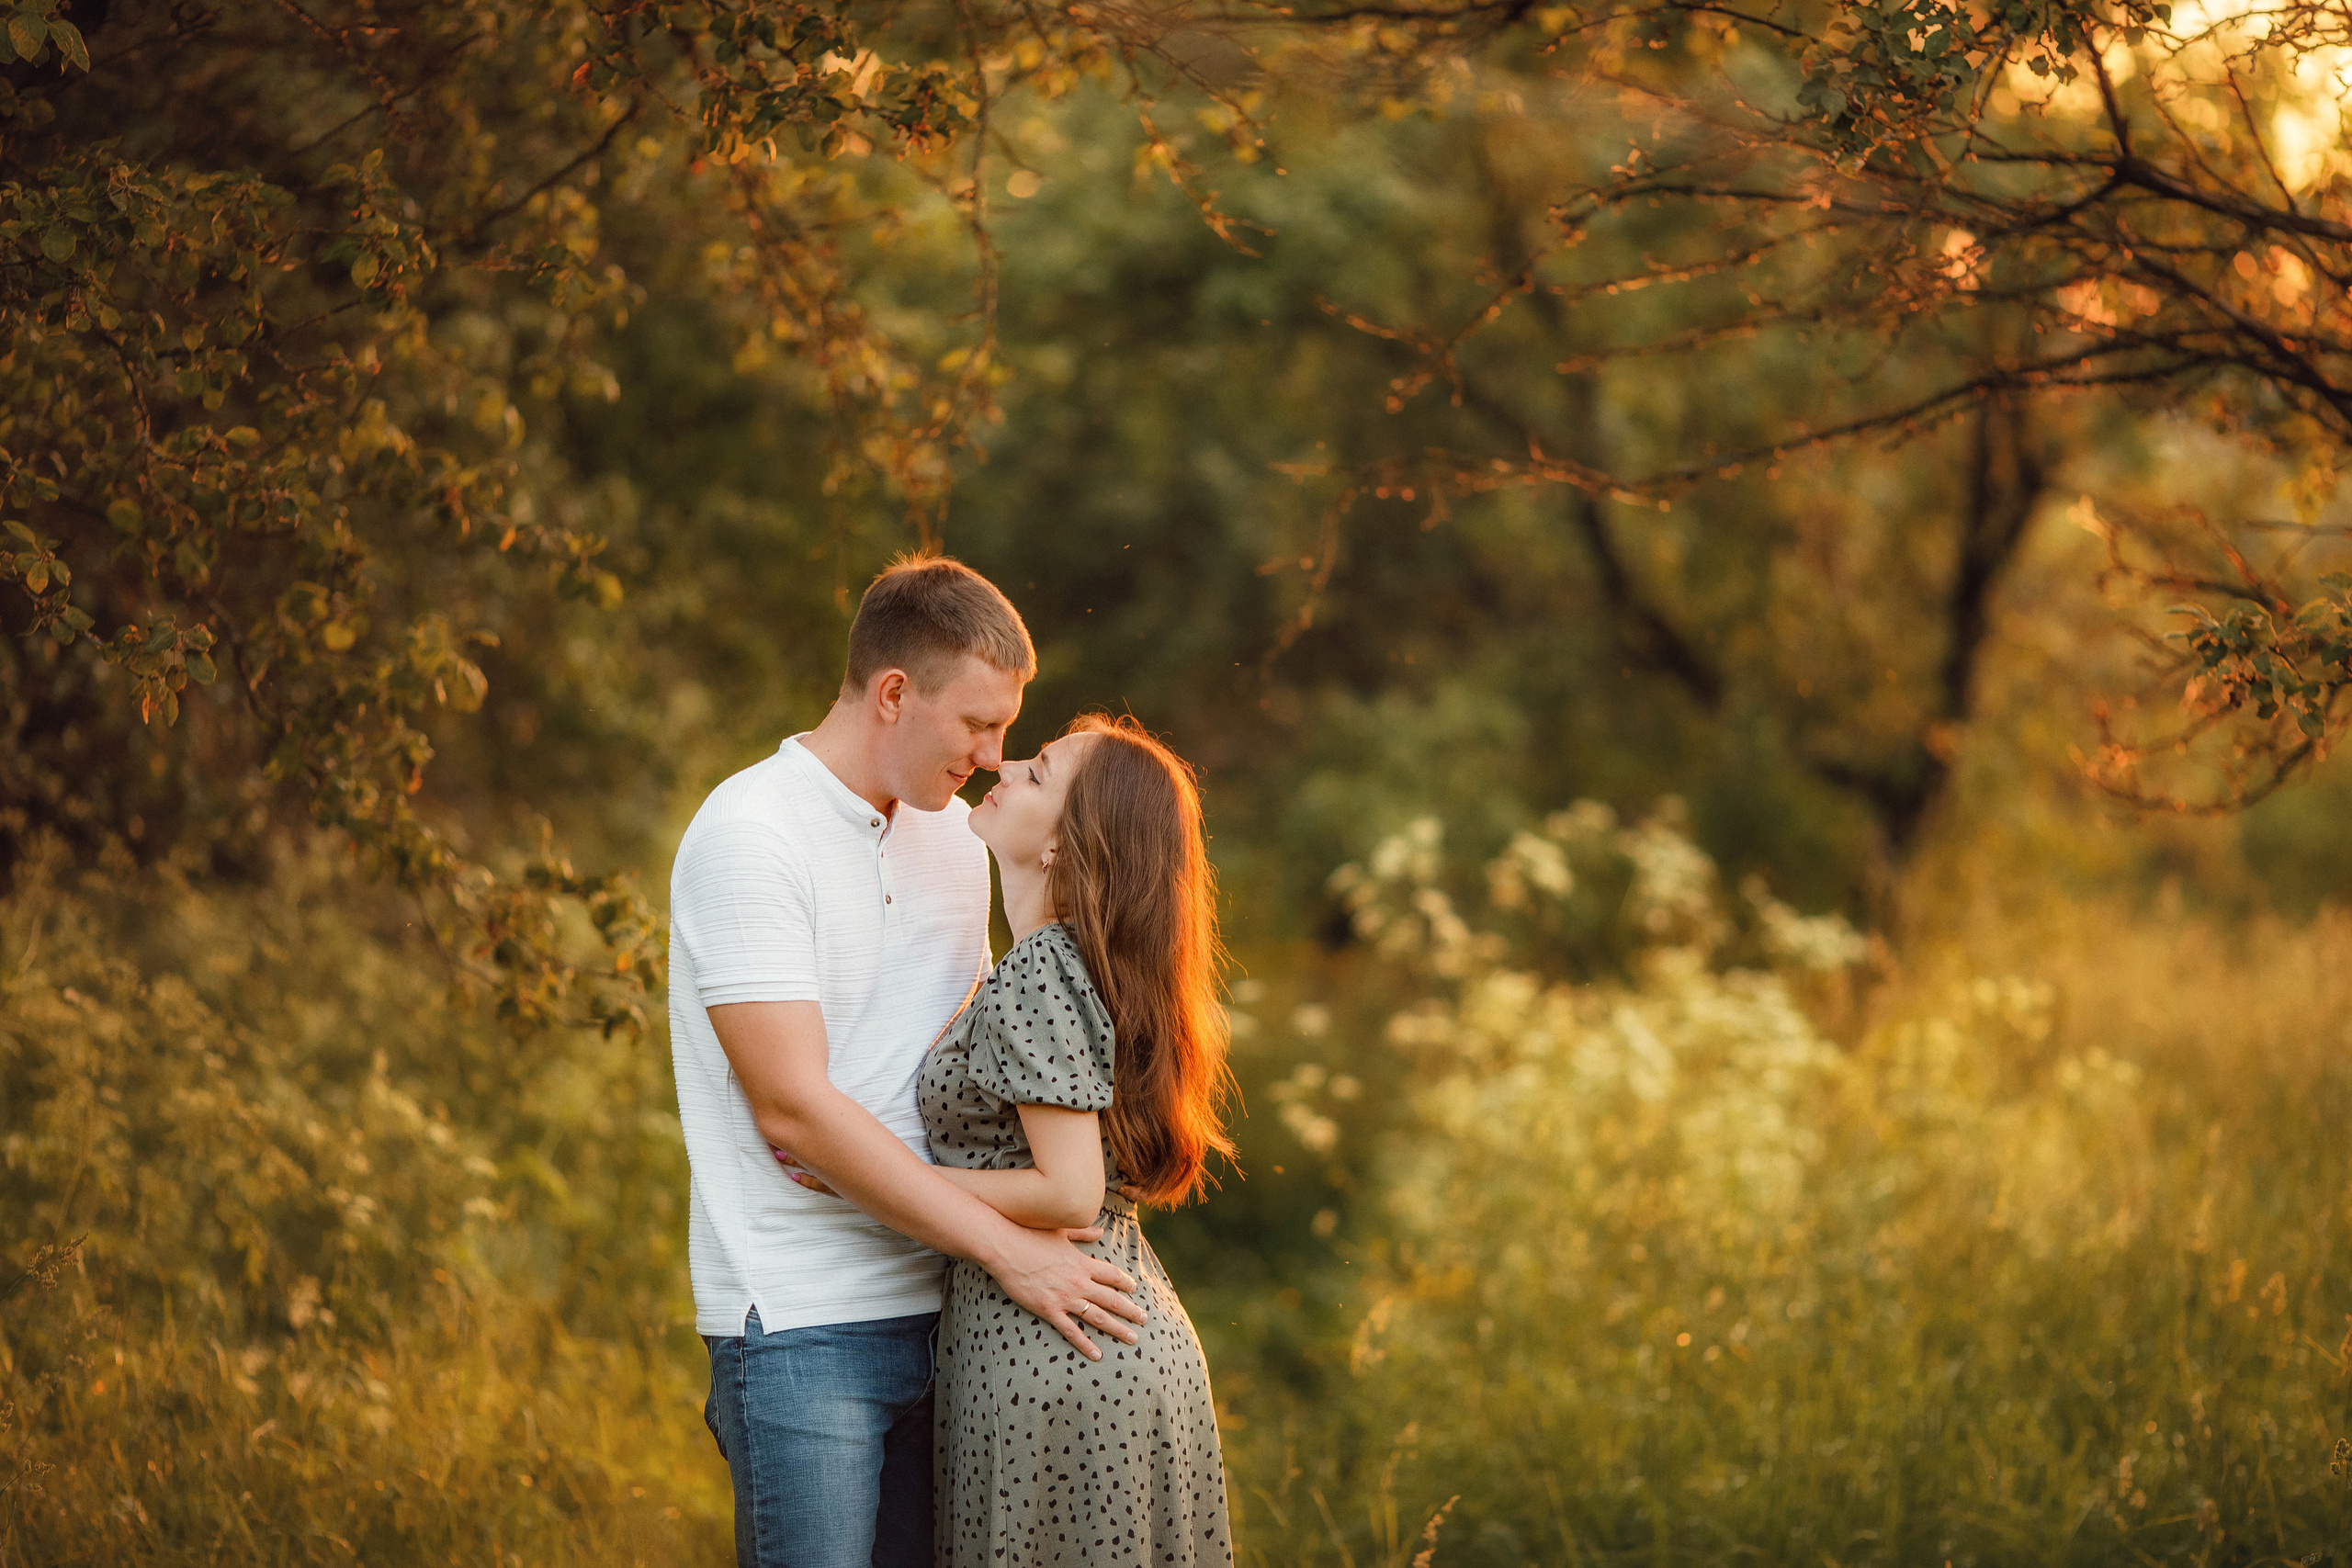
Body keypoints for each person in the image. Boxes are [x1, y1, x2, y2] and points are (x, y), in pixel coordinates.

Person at [668, 557, 1149, 1568]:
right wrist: (1012, 1248)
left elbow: (970, 1065)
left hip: (955, 1321)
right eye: (977, 724)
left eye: (1006, 731)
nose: (991, 755)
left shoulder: (952, 843)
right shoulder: (751, 833)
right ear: (894, 693)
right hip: (805, 1326)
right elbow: (794, 1112)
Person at [786, 715, 1238, 1566]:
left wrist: (868, 1175)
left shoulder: (1042, 968)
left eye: (1040, 773)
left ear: (1069, 842)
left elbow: (1069, 1191)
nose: (1008, 763)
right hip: (1101, 1340)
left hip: (1055, 1355)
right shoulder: (1061, 964)